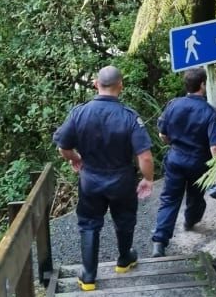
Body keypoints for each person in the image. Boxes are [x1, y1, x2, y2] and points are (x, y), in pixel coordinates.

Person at [53, 66, 155, 291]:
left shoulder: (79, 113)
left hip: (91, 179)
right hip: (122, 180)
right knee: (125, 219)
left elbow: (63, 146)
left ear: (96, 85)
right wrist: (147, 179)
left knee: (89, 224)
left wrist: (75, 159)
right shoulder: (129, 117)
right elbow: (145, 156)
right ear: (121, 85)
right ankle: (124, 259)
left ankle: (88, 276)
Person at [150, 67, 216, 257]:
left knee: (169, 199)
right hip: (198, 163)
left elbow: (162, 134)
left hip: (175, 159)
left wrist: (175, 144)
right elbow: (215, 146)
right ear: (202, 84)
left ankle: (159, 242)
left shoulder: (173, 105)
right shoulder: (210, 112)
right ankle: (190, 221)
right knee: (196, 196)